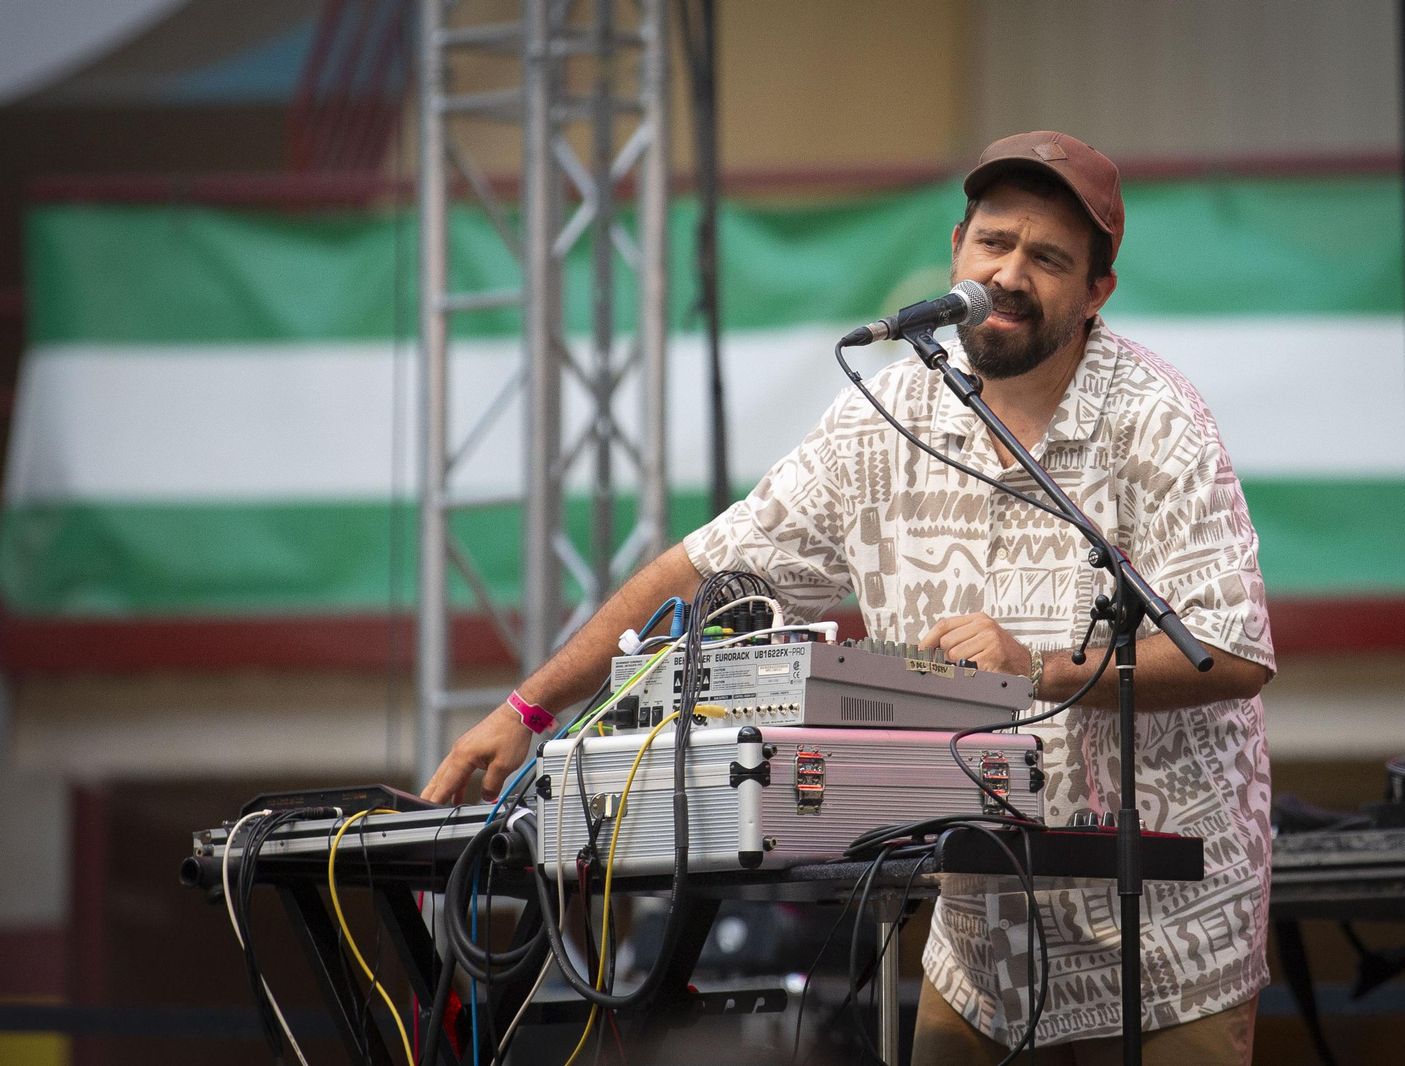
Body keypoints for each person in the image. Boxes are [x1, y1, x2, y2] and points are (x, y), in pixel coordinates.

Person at [423, 130, 1274, 1065]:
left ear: (1096, 293)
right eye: (994, 243)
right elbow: (700, 568)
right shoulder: (882, 420)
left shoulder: (1159, 419)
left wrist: (1038, 669)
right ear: (957, 249)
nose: (1010, 273)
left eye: (1048, 257)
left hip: (1168, 936)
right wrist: (530, 706)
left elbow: (1231, 651)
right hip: (986, 943)